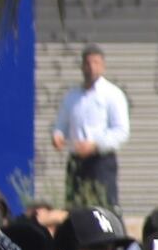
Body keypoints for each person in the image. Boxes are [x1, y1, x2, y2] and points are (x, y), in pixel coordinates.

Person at [52, 45, 131, 201]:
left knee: (103, 204)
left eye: (96, 63)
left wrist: (95, 145)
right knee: (74, 206)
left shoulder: (112, 94)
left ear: (103, 66)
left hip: (101, 161)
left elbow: (121, 131)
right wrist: (58, 135)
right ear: (82, 66)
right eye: (88, 63)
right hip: (77, 161)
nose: (92, 68)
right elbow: (61, 124)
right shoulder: (72, 96)